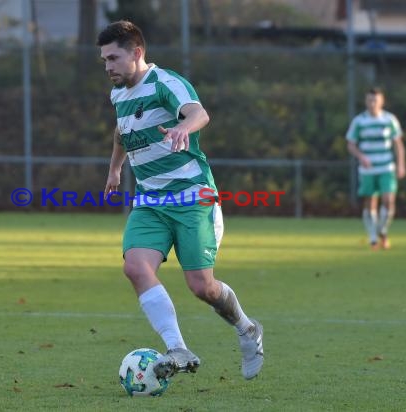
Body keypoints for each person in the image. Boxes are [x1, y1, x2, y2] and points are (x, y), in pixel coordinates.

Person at [97, 21, 263, 380]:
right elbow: (120, 133)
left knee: (202, 287)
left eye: (113, 57)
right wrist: (115, 169)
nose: (108, 66)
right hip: (150, 202)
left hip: (192, 198)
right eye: (104, 60)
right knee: (135, 267)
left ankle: (248, 328)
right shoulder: (118, 93)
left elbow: (198, 113)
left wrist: (182, 128)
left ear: (137, 53)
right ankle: (177, 348)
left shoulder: (165, 83)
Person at [346, 87, 406, 250]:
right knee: (370, 202)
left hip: (386, 166)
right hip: (368, 168)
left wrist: (401, 164)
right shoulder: (359, 121)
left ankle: (382, 231)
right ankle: (373, 237)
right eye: (369, 100)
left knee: (388, 201)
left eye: (375, 100)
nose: (372, 103)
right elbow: (351, 144)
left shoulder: (389, 120)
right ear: (366, 102)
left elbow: (398, 144)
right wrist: (361, 157)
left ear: (382, 101)